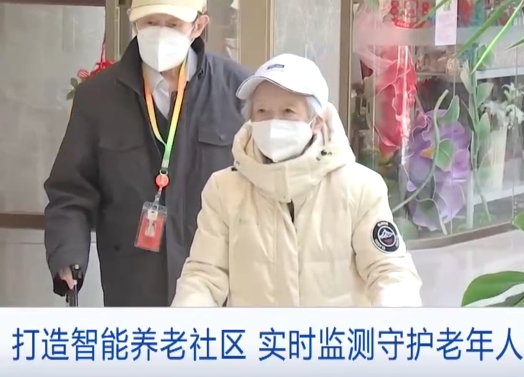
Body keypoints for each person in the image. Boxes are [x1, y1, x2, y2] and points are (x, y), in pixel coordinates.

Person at [44, 0, 248, 306]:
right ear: (134, 22)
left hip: (218, 287)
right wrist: (68, 255)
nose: (161, 33)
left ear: (198, 26)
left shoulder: (237, 91)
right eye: (151, 22)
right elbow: (71, 190)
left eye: (173, 24)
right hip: (133, 286)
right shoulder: (98, 97)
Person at [172, 54, 423, 307]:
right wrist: (186, 317)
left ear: (317, 122)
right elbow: (204, 276)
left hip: (332, 334)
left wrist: (393, 312)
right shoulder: (225, 189)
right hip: (259, 334)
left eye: (288, 111)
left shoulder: (359, 187)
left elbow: (389, 271)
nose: (273, 122)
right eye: (262, 111)